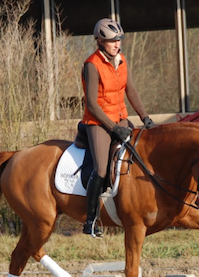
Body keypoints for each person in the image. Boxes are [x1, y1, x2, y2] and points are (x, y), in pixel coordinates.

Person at [81, 17, 155, 238]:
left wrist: (145, 117)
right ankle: (91, 220)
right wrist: (113, 127)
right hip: (98, 122)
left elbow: (130, 91)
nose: (117, 44)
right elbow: (92, 104)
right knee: (102, 169)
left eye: (118, 40)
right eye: (112, 41)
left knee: (139, 157)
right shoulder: (91, 65)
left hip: (121, 118)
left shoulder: (121, 60)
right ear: (100, 42)